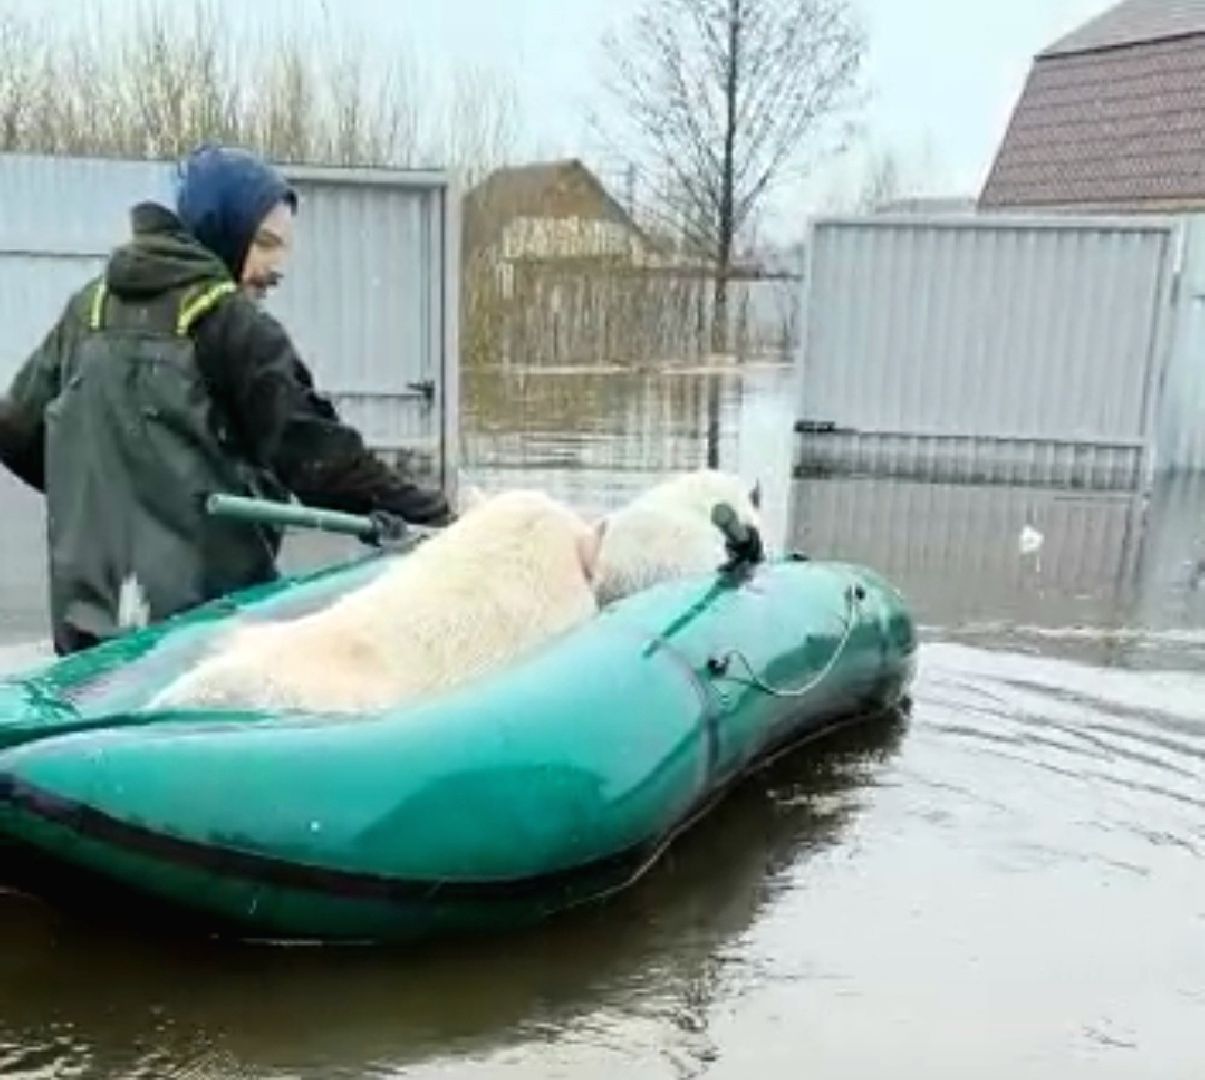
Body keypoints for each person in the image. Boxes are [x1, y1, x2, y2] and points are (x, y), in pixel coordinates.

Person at [0, 144, 452, 657]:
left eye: (282, 247)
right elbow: (321, 461)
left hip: (87, 637)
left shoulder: (90, 309)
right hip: (203, 638)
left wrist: (103, 491)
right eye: (264, 243)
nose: (274, 267)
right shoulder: (232, 326)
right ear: (221, 228)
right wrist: (439, 520)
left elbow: (16, 431)